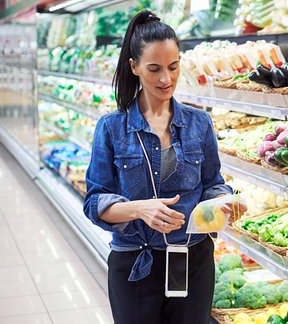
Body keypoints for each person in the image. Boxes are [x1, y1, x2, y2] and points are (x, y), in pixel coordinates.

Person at [83, 10, 239, 324]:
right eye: (154, 69)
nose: (166, 79)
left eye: (173, 67)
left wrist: (224, 203)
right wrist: (140, 209)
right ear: (135, 67)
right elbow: (94, 203)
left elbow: (212, 182)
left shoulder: (199, 123)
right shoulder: (112, 128)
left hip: (192, 259)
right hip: (136, 263)